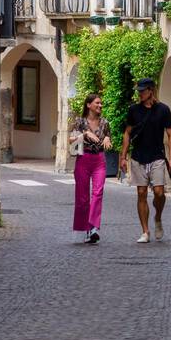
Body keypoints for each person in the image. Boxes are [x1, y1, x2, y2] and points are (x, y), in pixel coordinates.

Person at [119, 78, 171, 243]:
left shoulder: (163, 110)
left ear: (151, 90)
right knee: (141, 193)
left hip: (157, 156)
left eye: (143, 90)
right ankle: (145, 231)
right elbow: (127, 133)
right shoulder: (133, 110)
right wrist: (123, 156)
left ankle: (158, 216)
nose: (140, 93)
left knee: (159, 192)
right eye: (139, 90)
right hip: (138, 156)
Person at [70, 92, 111, 244]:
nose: (100, 105)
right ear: (88, 105)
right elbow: (71, 141)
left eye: (101, 103)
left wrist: (107, 138)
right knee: (82, 197)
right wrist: (85, 134)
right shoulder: (80, 122)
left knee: (98, 192)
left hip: (99, 160)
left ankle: (93, 227)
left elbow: (108, 137)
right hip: (83, 159)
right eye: (97, 103)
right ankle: (86, 228)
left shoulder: (105, 122)